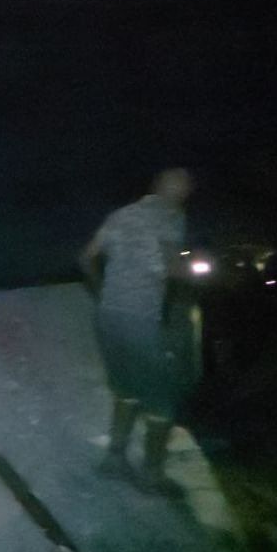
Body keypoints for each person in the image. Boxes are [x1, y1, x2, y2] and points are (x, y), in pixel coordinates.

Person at [80, 168, 194, 498]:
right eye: (181, 188)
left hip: (108, 318)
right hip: (141, 320)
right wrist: (199, 274)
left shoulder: (121, 214)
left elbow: (85, 258)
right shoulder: (172, 216)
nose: (181, 194)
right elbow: (172, 267)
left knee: (125, 389)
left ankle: (114, 460)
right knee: (162, 402)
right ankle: (151, 475)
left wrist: (101, 294)